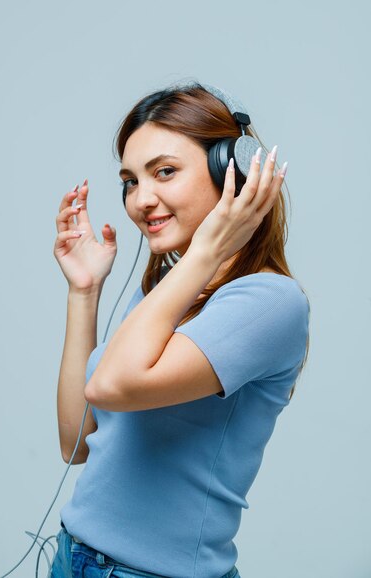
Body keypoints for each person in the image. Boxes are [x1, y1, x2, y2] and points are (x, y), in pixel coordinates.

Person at [51, 81, 310, 578]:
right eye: (130, 181)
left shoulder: (270, 302)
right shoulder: (166, 290)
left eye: (164, 172)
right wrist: (83, 292)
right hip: (75, 556)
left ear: (231, 172)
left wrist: (208, 251)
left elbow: (110, 385)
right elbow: (77, 442)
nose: (141, 200)